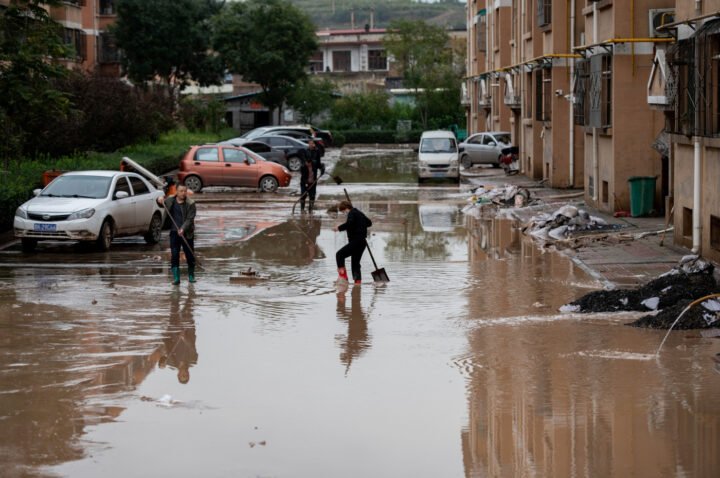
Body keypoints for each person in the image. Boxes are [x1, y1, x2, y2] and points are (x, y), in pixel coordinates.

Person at [157, 184, 197, 285]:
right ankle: (176, 278)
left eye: (185, 191)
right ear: (177, 191)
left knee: (189, 254)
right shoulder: (170, 200)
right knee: (174, 255)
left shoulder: (191, 203)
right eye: (181, 191)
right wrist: (159, 199)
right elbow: (160, 203)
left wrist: (183, 228)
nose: (183, 193)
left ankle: (191, 276)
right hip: (174, 232)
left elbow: (190, 219)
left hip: (187, 233)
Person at [334, 200, 372, 284]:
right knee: (355, 263)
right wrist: (360, 223)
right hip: (362, 242)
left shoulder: (352, 213)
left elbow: (349, 224)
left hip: (356, 241)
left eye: (343, 211)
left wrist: (338, 228)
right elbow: (369, 223)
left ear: (346, 208)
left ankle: (343, 278)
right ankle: (357, 282)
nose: (344, 213)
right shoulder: (359, 213)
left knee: (339, 255)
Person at [298, 140, 325, 213]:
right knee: (303, 195)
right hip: (304, 181)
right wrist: (305, 164)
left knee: (312, 196)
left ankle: (310, 210)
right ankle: (302, 210)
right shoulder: (303, 165)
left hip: (313, 181)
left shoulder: (316, 154)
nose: (311, 144)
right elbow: (302, 166)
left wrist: (322, 168)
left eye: (312, 143)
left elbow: (319, 164)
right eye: (310, 143)